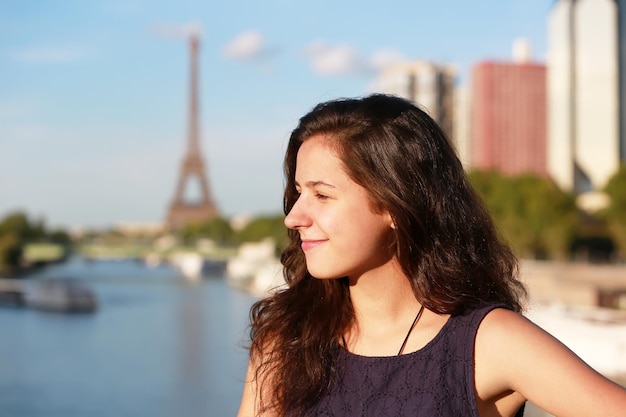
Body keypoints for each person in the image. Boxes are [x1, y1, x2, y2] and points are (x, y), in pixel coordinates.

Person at [237, 94, 626, 417]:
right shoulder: (284, 341)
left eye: (321, 195)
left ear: (394, 204)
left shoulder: (485, 343)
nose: (294, 216)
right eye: (298, 192)